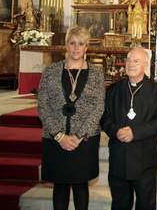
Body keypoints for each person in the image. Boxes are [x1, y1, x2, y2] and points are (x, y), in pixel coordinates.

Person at [38, 26, 105, 210]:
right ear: (66, 45)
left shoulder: (97, 74)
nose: (76, 48)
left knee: (80, 184)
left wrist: (78, 136)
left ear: (86, 48)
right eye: (72, 43)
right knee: (60, 185)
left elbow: (98, 107)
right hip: (55, 139)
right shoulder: (50, 71)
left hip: (84, 140)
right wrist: (59, 136)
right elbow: (42, 105)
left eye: (81, 44)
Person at [101, 46, 157, 210]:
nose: (130, 64)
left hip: (144, 160)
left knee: (145, 204)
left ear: (145, 64)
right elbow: (104, 117)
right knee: (119, 204)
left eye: (136, 61)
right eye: (129, 60)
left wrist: (135, 132)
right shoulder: (114, 90)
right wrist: (115, 131)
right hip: (119, 158)